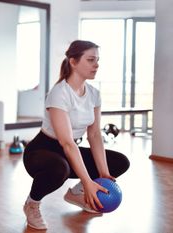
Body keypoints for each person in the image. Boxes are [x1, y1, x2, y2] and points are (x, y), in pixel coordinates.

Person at [22, 40, 130, 230]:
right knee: (59, 169)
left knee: (120, 162)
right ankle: (32, 203)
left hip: (69, 149)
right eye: (90, 60)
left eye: (97, 60)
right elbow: (66, 142)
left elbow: (95, 135)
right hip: (41, 152)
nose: (96, 65)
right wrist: (89, 181)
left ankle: (77, 193)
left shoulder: (94, 94)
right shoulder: (59, 93)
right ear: (73, 62)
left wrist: (103, 174)